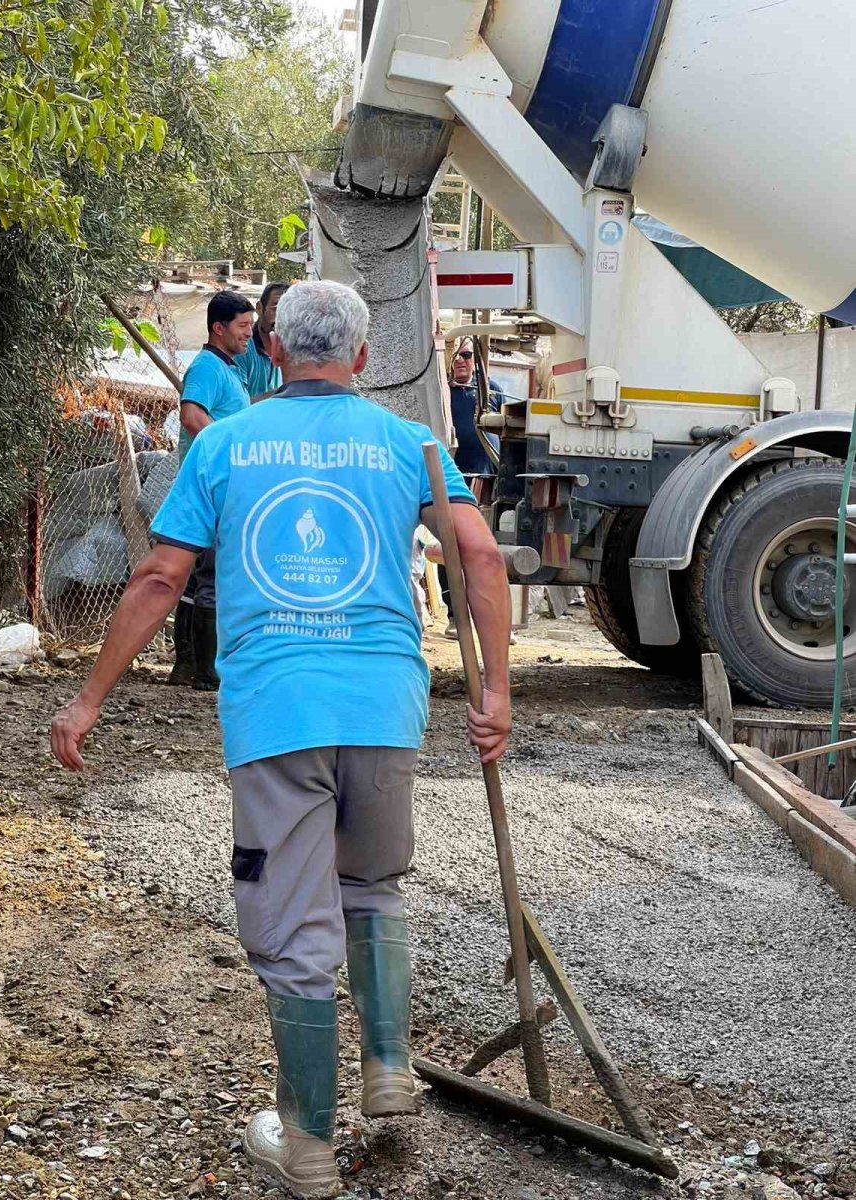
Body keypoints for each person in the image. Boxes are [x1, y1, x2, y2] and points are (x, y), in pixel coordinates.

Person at [51, 280, 512, 1200]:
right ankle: (387, 1069)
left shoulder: (225, 443)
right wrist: (495, 690)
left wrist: (89, 698)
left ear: (271, 346)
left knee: (296, 928)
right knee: (372, 885)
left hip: (276, 715)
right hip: (385, 708)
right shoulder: (410, 445)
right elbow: (483, 557)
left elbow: (156, 578)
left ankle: (305, 1148)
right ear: (363, 357)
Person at [168, 290, 254, 689]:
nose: (249, 334)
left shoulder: (231, 368)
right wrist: (225, 453)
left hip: (225, 483)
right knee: (212, 575)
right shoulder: (206, 367)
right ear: (218, 328)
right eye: (242, 327)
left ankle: (191, 664)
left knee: (202, 574)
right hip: (212, 484)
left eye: (251, 327)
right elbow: (191, 416)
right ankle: (207, 671)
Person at [440, 339, 506, 638]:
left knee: (485, 548)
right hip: (454, 478)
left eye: (467, 355)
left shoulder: (490, 390)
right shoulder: (443, 393)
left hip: (486, 478)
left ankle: (493, 620)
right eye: (456, 356)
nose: (461, 361)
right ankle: (456, 615)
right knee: (450, 545)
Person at [235, 281, 289, 401]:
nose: (281, 317)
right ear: (259, 308)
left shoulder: (291, 350)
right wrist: (283, 394)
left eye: (287, 311)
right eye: (276, 308)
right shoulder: (242, 348)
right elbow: (236, 406)